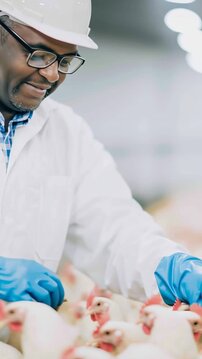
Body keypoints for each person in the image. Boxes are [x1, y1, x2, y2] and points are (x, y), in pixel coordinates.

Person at [0, 0, 200, 310]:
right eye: (38, 54)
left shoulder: (66, 132)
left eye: (65, 61)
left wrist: (170, 268)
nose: (52, 74)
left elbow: (113, 229)